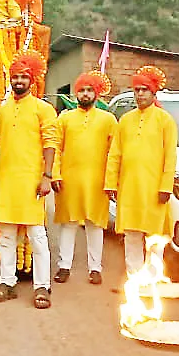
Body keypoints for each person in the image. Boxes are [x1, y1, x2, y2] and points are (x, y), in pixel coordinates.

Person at [0, 52, 58, 308]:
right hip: (6, 180)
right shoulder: (4, 110)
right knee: (6, 236)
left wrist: (47, 176)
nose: (19, 81)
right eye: (15, 77)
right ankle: (7, 283)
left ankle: (42, 287)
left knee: (37, 235)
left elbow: (50, 143)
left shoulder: (43, 109)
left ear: (32, 80)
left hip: (31, 181)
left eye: (23, 77)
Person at [105, 66, 179, 275]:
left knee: (154, 236)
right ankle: (134, 280)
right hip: (129, 187)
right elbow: (115, 154)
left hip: (154, 189)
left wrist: (166, 186)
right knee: (131, 234)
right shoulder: (126, 120)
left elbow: (170, 156)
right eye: (137, 90)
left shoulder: (165, 120)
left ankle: (153, 281)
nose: (140, 94)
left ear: (153, 92)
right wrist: (110, 183)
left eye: (144, 90)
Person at [51, 71, 117, 285]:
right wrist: (55, 174)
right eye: (81, 90)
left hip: (97, 181)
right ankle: (64, 266)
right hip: (69, 180)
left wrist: (111, 181)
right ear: (76, 93)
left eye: (89, 90)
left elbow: (114, 153)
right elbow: (56, 148)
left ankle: (95, 268)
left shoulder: (108, 120)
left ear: (96, 94)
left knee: (94, 224)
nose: (85, 94)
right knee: (68, 223)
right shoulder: (65, 118)